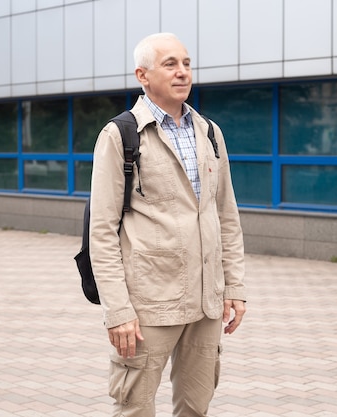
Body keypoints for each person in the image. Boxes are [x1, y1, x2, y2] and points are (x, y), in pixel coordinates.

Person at [89, 32, 247, 417]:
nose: (182, 73)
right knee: (135, 408)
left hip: (207, 303)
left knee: (196, 407)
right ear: (143, 75)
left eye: (187, 63)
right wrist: (119, 311)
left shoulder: (210, 132)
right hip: (149, 305)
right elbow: (102, 230)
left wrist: (235, 286)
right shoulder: (120, 135)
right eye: (170, 64)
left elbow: (226, 214)